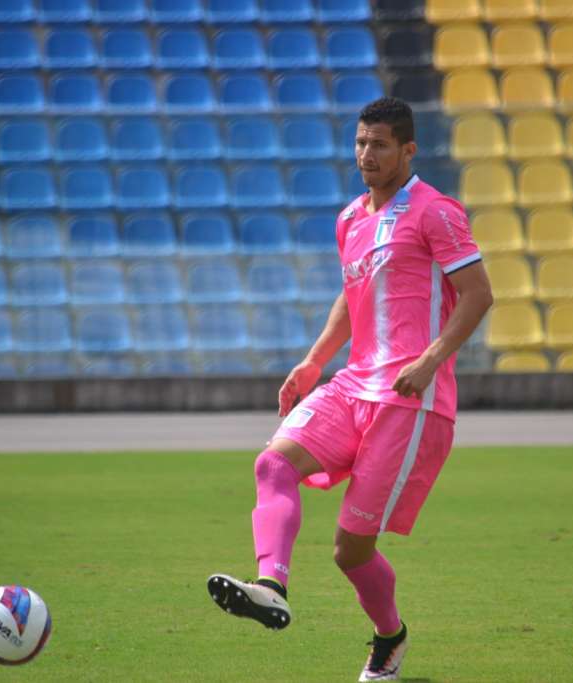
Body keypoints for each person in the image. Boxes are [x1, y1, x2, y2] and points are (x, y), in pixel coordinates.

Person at [207, 96, 493, 682]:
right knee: (272, 463)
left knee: (350, 551)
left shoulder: (436, 212)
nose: (367, 154)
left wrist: (431, 360)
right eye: (361, 142)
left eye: (380, 144)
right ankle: (271, 586)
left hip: (408, 400)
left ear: (408, 150)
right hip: (352, 384)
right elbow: (352, 293)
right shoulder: (350, 219)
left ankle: (390, 640)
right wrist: (314, 362)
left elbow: (478, 294)